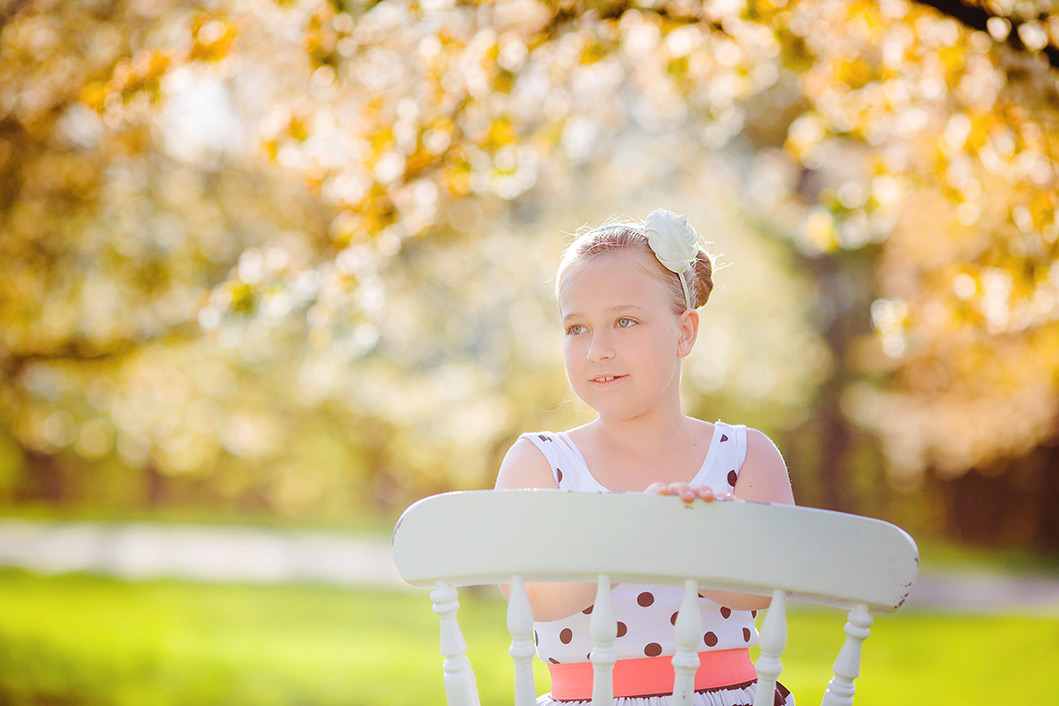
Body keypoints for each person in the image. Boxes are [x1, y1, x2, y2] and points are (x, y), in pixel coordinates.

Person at [494, 209, 796, 706]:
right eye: (577, 328)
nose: (598, 349)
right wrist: (635, 529)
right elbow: (535, 600)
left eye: (625, 321)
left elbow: (769, 589)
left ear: (684, 333)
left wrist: (690, 534)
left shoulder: (745, 455)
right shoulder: (541, 462)